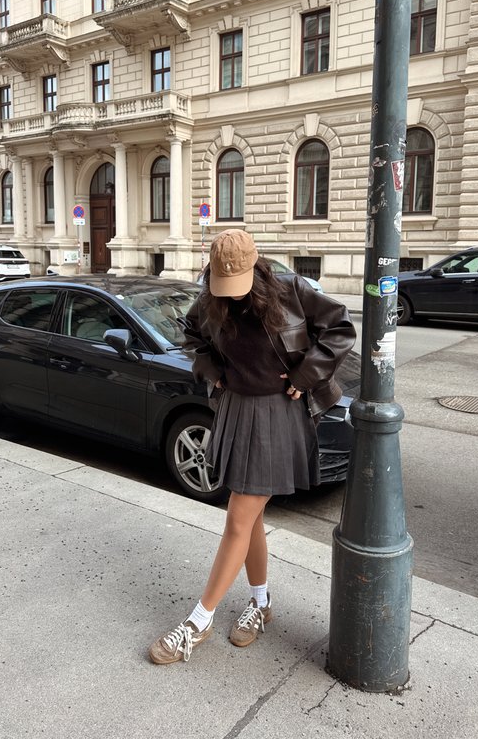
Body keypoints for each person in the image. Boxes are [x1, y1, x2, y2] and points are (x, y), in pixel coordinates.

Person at [149, 229, 356, 665]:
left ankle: (197, 622)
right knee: (251, 519)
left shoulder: (291, 290)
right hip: (237, 409)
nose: (231, 293)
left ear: (256, 267)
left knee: (238, 518)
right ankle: (260, 603)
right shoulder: (210, 298)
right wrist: (213, 371)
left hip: (278, 414)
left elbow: (340, 329)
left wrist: (305, 376)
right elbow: (191, 335)